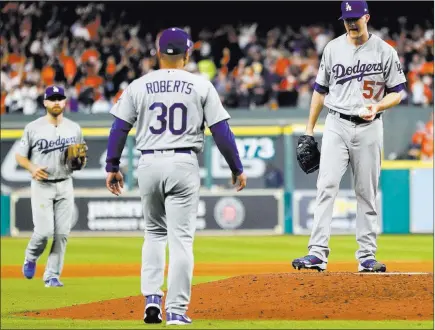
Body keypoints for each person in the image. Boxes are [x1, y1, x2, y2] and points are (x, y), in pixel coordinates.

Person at [104, 27, 247, 325]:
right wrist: (236, 168)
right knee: (180, 239)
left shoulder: (139, 85)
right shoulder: (200, 85)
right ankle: (177, 311)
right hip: (183, 162)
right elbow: (221, 132)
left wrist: (112, 166)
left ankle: (152, 299)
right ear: (188, 53)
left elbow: (119, 128)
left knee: (154, 234)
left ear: (157, 52)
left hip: (149, 162)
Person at [292, 1, 407, 273]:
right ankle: (317, 254)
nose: (351, 23)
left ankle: (367, 256)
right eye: (347, 19)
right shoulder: (333, 48)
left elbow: (398, 91)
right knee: (326, 186)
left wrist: (378, 106)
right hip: (336, 123)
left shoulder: (384, 51)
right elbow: (320, 91)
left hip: (369, 126)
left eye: (356, 18)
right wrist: (309, 129)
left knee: (366, 193)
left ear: (367, 17)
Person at [16, 86, 86, 287]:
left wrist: (80, 162)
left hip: (65, 183)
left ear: (64, 102)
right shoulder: (33, 127)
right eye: (52, 99)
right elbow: (20, 155)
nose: (56, 102)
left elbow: (80, 158)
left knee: (62, 233)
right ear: (45, 103)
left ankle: (52, 275)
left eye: (60, 98)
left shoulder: (74, 128)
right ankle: (30, 256)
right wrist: (31, 167)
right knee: (44, 232)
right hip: (42, 184)